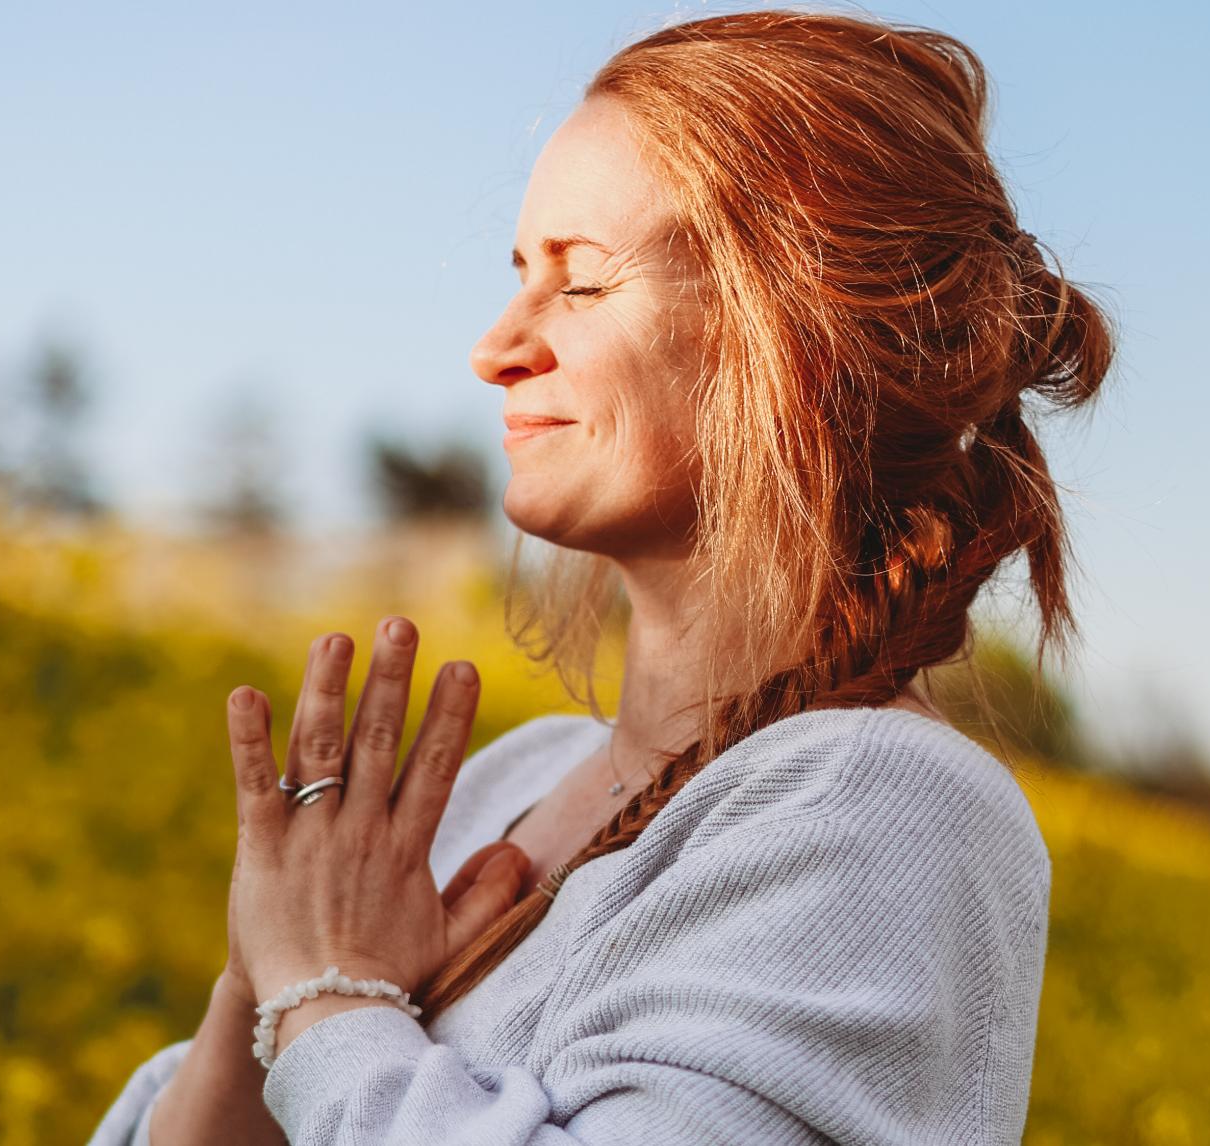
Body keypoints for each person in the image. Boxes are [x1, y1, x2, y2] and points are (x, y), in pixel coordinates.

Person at [89, 8, 1112, 1144]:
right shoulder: (506, 783)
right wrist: (262, 982)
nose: (496, 346)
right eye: (520, 272)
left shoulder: (888, 807)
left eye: (578, 285)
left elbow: (336, 1037)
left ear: (796, 329)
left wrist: (328, 1000)